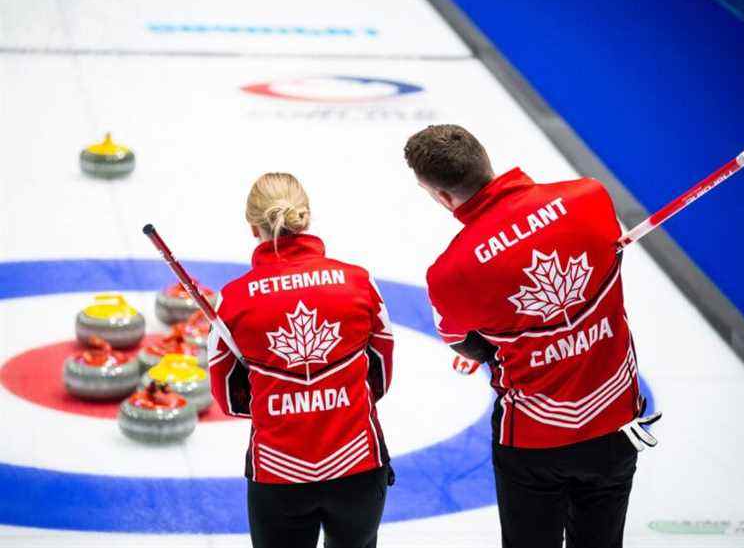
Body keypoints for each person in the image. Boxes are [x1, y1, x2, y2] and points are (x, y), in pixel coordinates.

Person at [403, 125, 661, 548]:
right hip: (615, 421)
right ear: (486, 160)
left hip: (534, 437)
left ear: (440, 196)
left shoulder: (451, 273)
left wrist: (496, 344)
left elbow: (468, 344)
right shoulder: (590, 196)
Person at [208, 173, 394, 548]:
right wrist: (333, 393)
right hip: (357, 461)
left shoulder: (233, 301)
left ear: (252, 227)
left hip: (278, 471)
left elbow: (229, 397)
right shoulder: (358, 281)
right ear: (306, 218)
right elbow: (381, 372)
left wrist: (281, 396)